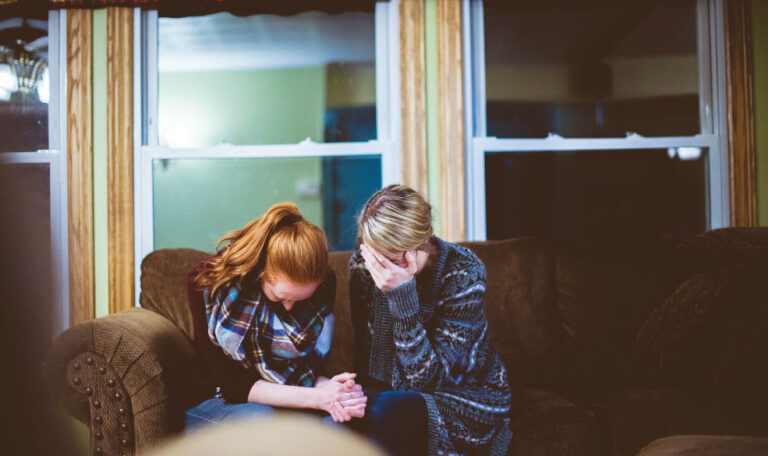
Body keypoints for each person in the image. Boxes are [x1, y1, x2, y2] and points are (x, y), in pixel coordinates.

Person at [348, 185, 512, 455]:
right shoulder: (363, 265)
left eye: (390, 258)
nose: (378, 267)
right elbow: (367, 356)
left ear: (419, 244)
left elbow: (424, 383)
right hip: (390, 395)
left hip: (466, 396)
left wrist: (403, 298)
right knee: (343, 419)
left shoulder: (464, 273)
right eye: (374, 255)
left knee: (387, 411)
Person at [185, 202, 367, 429]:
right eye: (280, 297)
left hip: (286, 398)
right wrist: (319, 398)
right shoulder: (206, 284)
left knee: (340, 423)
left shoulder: (324, 285)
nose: (289, 308)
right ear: (260, 272)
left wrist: (337, 391)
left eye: (299, 300)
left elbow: (307, 373)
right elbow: (233, 385)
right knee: (263, 420)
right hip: (218, 399)